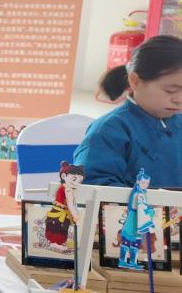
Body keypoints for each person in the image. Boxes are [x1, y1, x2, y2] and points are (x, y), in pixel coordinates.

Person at [74, 35, 182, 187]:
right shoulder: (110, 130)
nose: (179, 99)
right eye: (171, 90)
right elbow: (95, 186)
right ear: (135, 81)